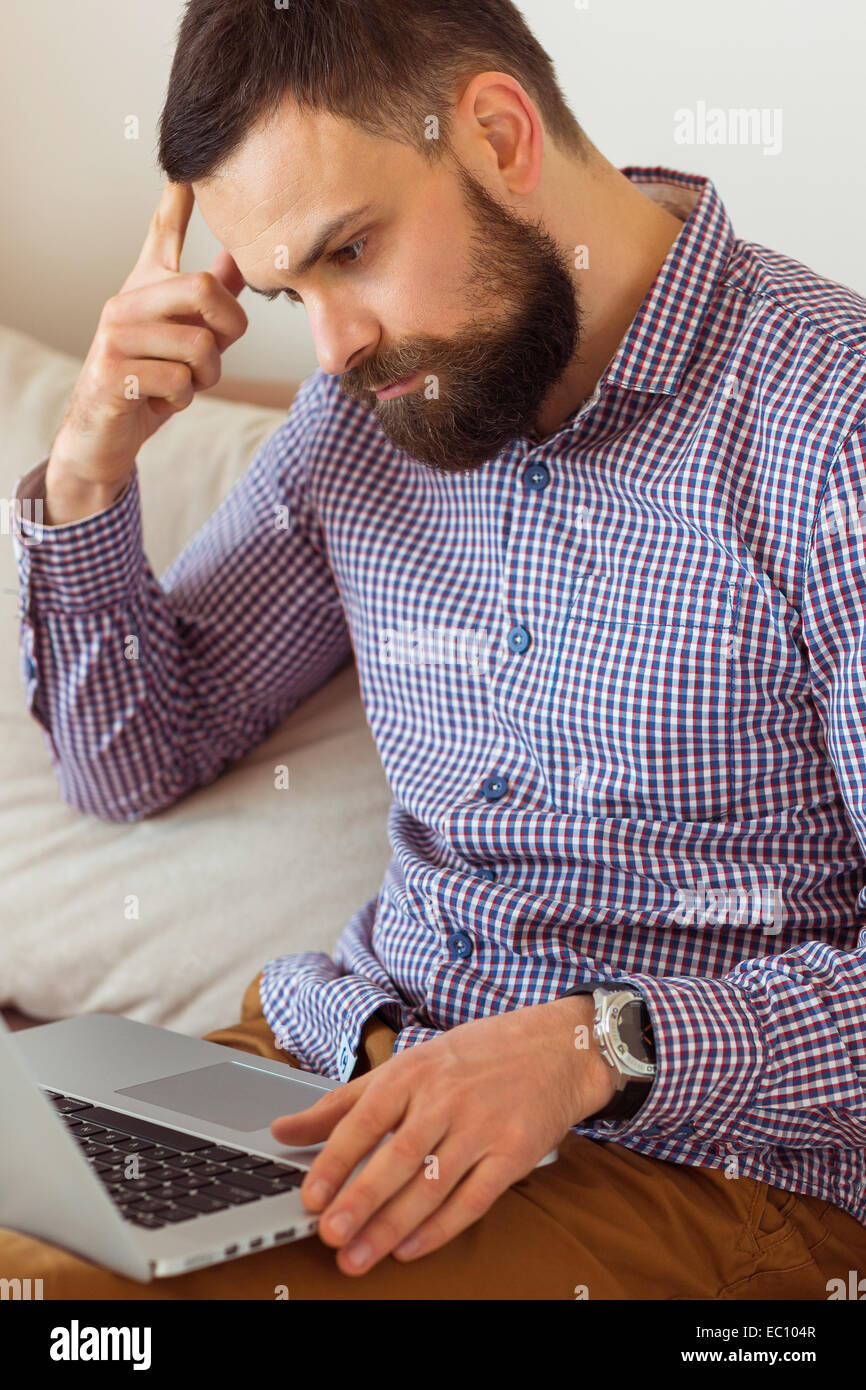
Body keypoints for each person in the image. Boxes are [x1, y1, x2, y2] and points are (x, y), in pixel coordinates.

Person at [8, 0, 866, 1298]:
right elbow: (137, 760)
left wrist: (599, 1046)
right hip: (332, 1055)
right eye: (295, 289)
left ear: (498, 133)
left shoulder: (827, 425)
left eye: (350, 249)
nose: (333, 343)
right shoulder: (369, 412)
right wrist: (86, 470)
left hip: (694, 1163)